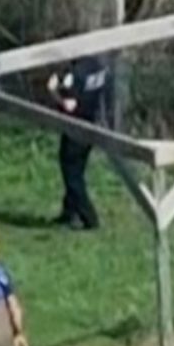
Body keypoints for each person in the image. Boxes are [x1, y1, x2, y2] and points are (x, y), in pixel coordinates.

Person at [47, 54, 110, 231]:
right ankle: (69, 211)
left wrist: (53, 92)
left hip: (75, 128)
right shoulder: (97, 66)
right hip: (91, 123)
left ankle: (89, 217)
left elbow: (70, 105)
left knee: (72, 175)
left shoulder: (76, 74)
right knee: (78, 169)